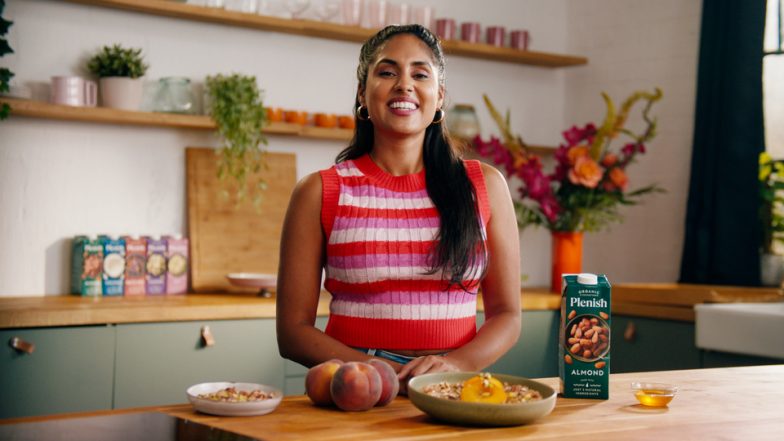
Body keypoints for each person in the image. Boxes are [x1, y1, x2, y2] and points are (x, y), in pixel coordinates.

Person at [276, 24, 521, 389]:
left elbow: (507, 315)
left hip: (452, 389)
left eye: (419, 74)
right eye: (387, 72)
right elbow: (292, 331)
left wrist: (454, 365)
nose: (404, 84)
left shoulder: (484, 186)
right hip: (355, 388)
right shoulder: (319, 191)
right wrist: (375, 371)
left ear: (439, 97)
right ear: (363, 92)